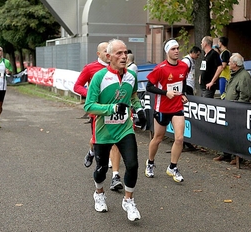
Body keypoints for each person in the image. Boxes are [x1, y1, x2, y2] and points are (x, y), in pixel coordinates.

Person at [84, 39, 146, 221]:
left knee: (133, 165)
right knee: (102, 169)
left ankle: (128, 200)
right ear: (108, 56)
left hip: (124, 128)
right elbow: (88, 106)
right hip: (104, 131)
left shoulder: (131, 76)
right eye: (119, 53)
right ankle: (99, 193)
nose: (123, 56)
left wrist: (139, 109)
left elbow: (133, 95)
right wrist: (111, 109)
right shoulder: (99, 77)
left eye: (125, 52)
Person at [75, 42, 125, 192]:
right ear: (100, 54)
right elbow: (77, 86)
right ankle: (91, 152)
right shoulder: (90, 68)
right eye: (105, 50)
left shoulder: (120, 69)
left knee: (116, 141)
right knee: (95, 141)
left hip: (116, 113)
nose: (108, 53)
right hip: (98, 113)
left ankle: (115, 176)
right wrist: (90, 95)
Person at [145, 39, 189, 182]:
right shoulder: (160, 68)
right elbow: (149, 87)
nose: (176, 51)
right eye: (173, 49)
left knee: (179, 138)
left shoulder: (183, 66)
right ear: (167, 52)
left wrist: (183, 95)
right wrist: (165, 93)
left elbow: (182, 83)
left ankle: (173, 167)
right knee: (158, 138)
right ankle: (150, 163)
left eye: (177, 48)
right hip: (162, 107)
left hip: (177, 107)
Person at [213, 53, 251, 164]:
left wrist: (237, 109)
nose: (228, 63)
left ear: (235, 64)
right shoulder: (234, 74)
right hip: (229, 109)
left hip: (237, 111)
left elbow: (244, 96)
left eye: (230, 62)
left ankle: (238, 157)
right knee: (226, 132)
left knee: (237, 134)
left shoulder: (244, 77)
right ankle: (226, 154)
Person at [181, 45, 201, 151]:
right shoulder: (186, 61)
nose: (198, 57)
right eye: (197, 55)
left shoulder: (191, 61)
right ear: (193, 52)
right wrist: (184, 91)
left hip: (189, 87)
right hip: (186, 88)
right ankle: (184, 142)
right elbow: (182, 76)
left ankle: (187, 141)